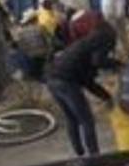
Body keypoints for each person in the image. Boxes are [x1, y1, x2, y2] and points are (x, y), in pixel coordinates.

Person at [46, 21, 118, 158]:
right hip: (66, 82)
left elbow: (88, 82)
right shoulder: (103, 43)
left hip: (51, 79)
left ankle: (79, 153)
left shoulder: (83, 46)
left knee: (72, 118)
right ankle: (95, 158)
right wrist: (117, 64)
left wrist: (106, 96)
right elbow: (97, 64)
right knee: (87, 120)